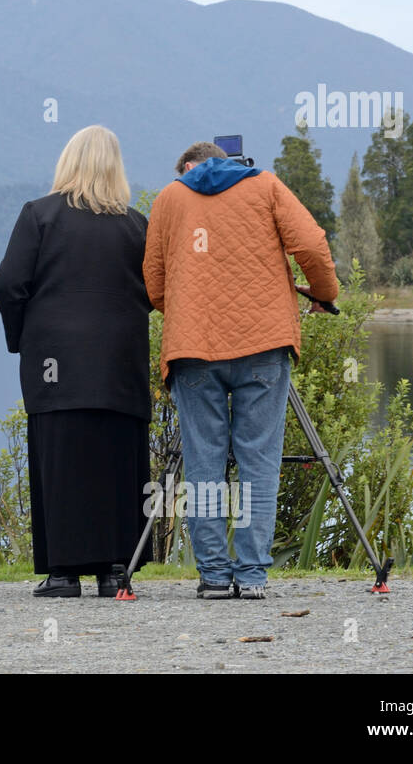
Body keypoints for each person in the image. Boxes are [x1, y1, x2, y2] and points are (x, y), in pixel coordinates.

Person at [143, 141, 338, 600]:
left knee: (204, 463)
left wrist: (187, 308)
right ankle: (251, 575)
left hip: (193, 349)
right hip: (264, 345)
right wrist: (323, 293)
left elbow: (153, 282)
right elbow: (311, 243)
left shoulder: (170, 198)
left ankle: (212, 576)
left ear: (189, 166)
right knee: (259, 462)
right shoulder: (267, 186)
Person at [0, 125, 152, 598]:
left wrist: (22, 338)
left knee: (59, 461)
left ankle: (63, 573)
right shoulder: (135, 224)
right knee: (118, 462)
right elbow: (155, 289)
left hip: (54, 362)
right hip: (120, 362)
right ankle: (113, 571)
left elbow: (8, 285)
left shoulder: (39, 216)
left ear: (68, 162)